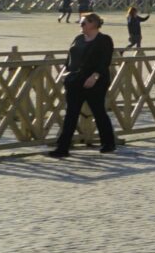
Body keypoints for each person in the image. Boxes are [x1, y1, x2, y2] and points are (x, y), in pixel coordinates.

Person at [50, 11, 119, 158]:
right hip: (75, 81)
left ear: (93, 24)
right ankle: (62, 148)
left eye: (83, 23)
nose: (80, 25)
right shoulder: (78, 38)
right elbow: (69, 58)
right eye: (80, 23)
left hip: (95, 82)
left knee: (98, 112)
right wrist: (64, 72)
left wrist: (95, 76)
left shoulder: (104, 40)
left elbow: (105, 61)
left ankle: (108, 143)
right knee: (71, 113)